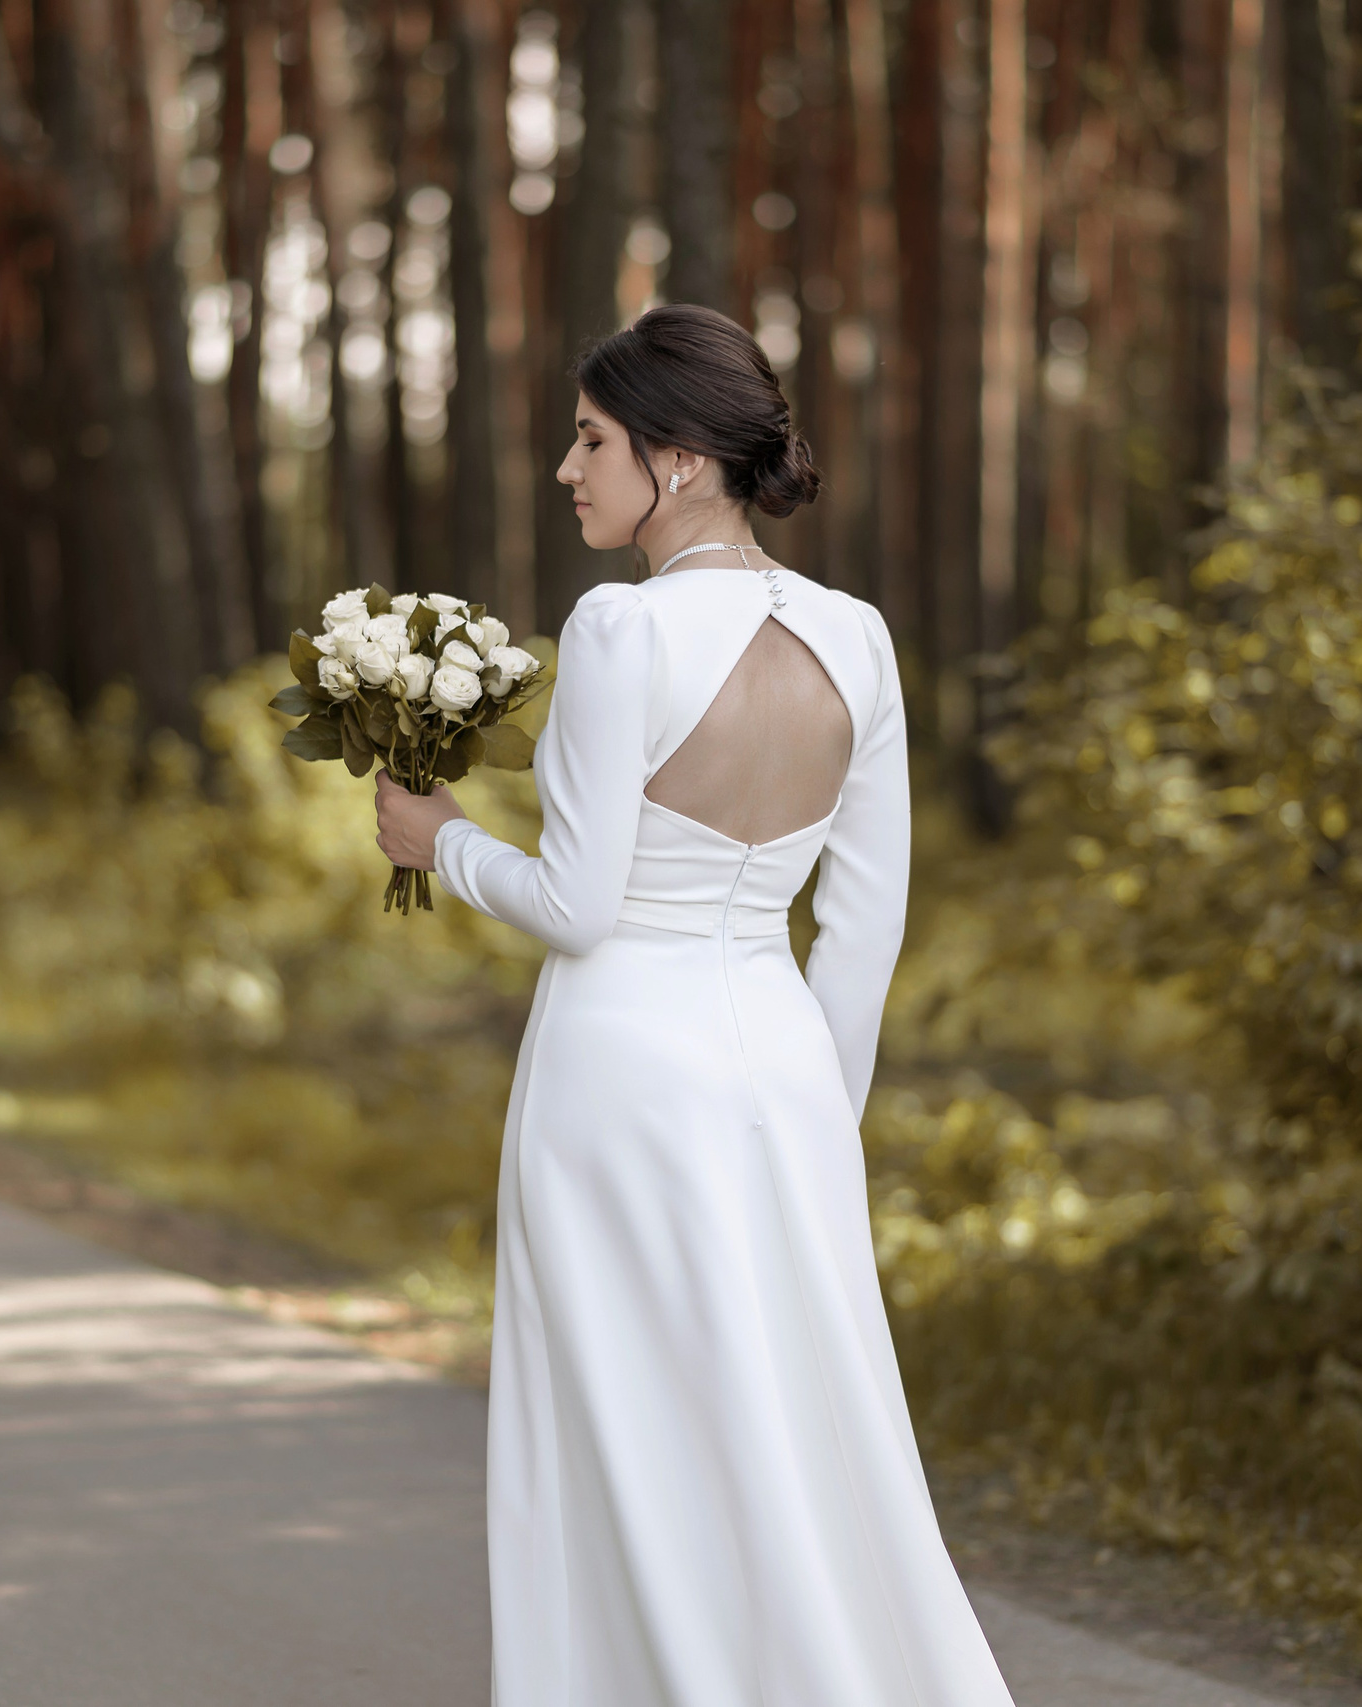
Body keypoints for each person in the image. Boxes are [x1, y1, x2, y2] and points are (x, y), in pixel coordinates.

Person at [373, 303, 1016, 1707]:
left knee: (625, 1441)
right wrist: (817, 1122)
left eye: (590, 439)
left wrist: (444, 846)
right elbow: (864, 923)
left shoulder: (619, 629)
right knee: (791, 1436)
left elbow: (582, 905)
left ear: (673, 461)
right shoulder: (859, 637)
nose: (567, 468)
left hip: (621, 1077)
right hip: (782, 1071)